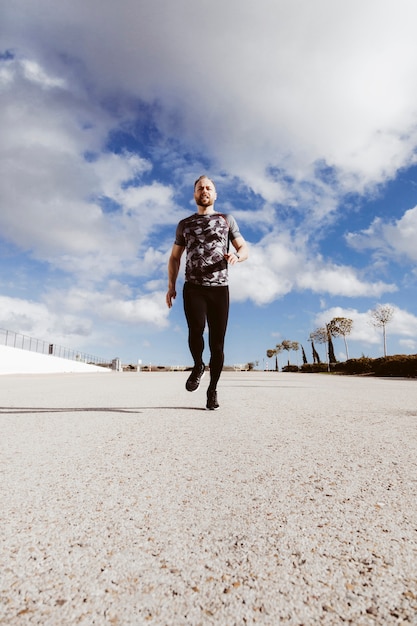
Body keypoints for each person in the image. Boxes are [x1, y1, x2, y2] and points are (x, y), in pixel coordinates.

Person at [166, 175, 248, 410]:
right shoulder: (185, 224)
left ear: (215, 194)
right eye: (200, 187)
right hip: (193, 287)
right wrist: (171, 286)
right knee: (195, 331)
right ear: (194, 194)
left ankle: (212, 390)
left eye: (209, 187)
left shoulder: (226, 219)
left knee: (217, 344)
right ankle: (198, 365)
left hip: (219, 289)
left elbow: (244, 248)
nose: (205, 190)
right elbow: (174, 257)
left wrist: (237, 256)